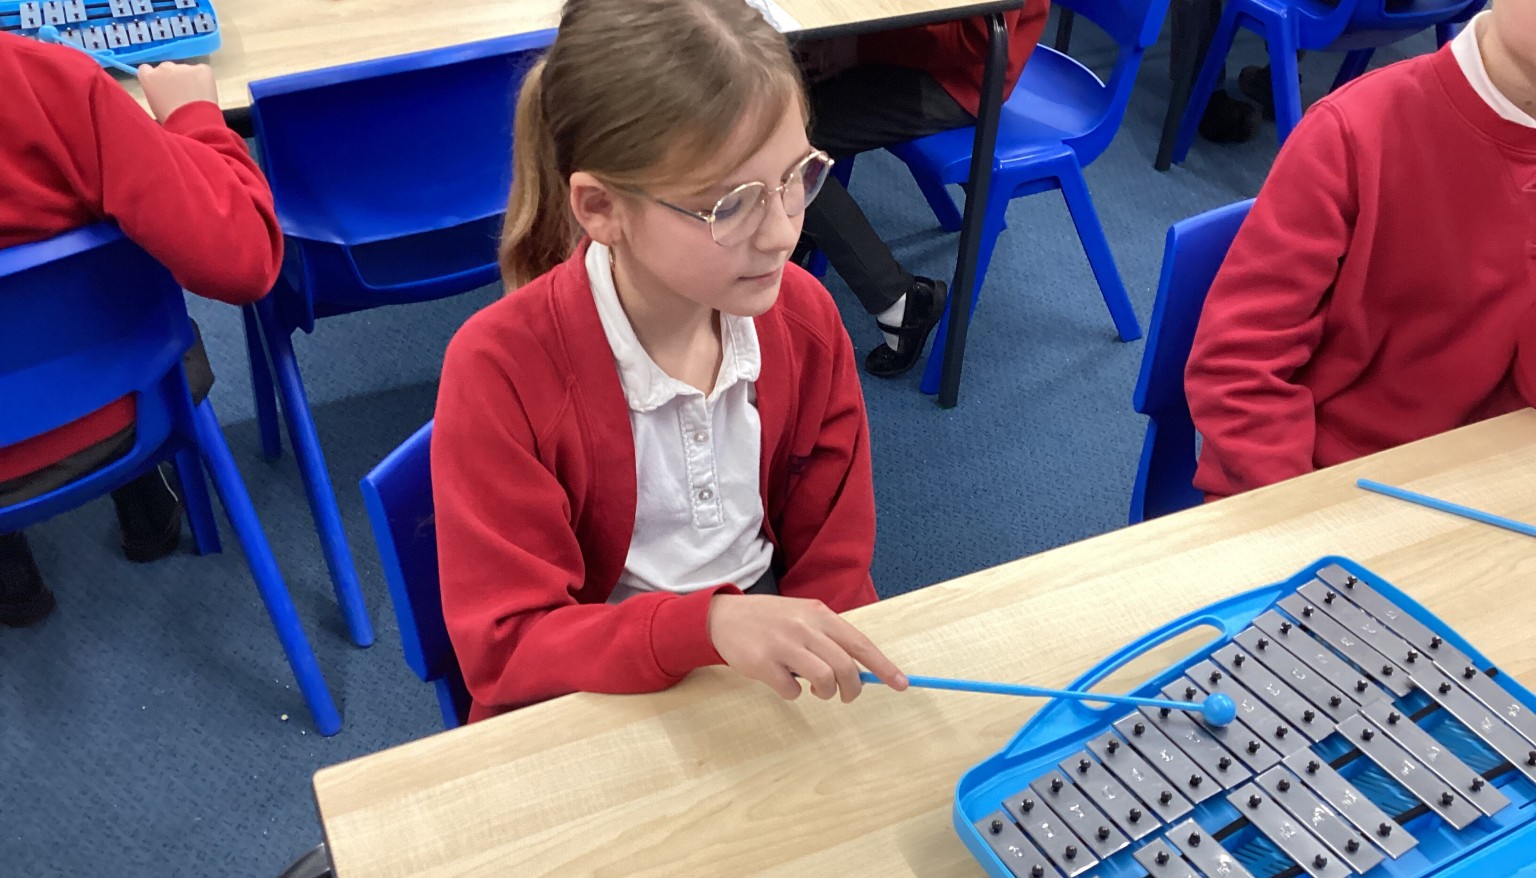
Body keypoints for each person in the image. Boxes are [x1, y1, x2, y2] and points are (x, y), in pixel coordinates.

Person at [432, 0, 910, 722]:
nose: (782, 232)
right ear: (600, 209)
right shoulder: (500, 369)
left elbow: (836, 566)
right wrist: (707, 627)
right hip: (594, 702)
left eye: (798, 177)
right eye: (730, 205)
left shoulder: (805, 322)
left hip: (762, 681)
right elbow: (510, 654)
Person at [1184, 3, 1536, 500]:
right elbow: (1238, 368)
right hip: (1316, 484)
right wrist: (1301, 515)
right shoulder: (1353, 132)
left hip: (1482, 487)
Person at [0, 33, 283, 626]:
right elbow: (244, 259)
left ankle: (11, 582)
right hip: (131, 409)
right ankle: (144, 502)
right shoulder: (46, 81)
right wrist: (198, 120)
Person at [794, 1, 1050, 377]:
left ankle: (901, 301)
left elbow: (976, 38)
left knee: (782, 141)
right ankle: (797, 220)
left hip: (960, 75)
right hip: (891, 29)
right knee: (763, 81)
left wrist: (858, 47)